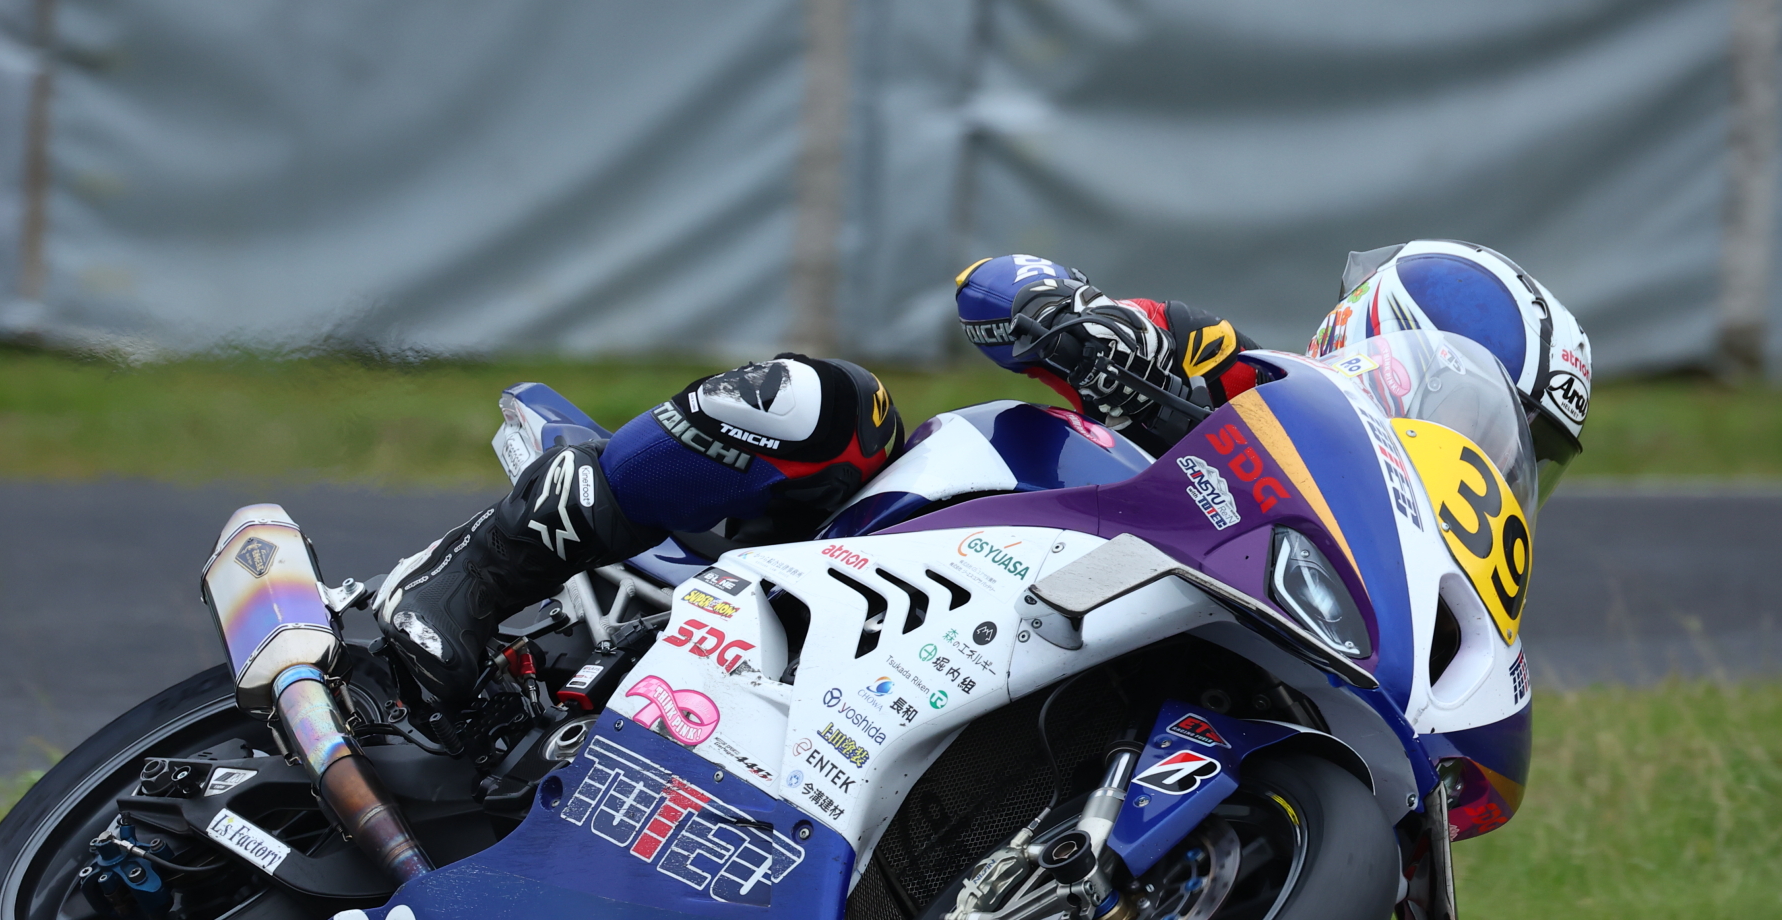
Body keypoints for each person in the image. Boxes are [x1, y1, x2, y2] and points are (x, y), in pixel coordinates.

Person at [372, 240, 1589, 707]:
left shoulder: (1397, 566)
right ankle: (477, 571)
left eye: (1520, 445)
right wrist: (1080, 325)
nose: (1490, 450)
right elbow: (996, 287)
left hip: (1074, 647)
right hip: (929, 530)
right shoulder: (1249, 377)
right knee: (816, 400)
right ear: (1384, 336)